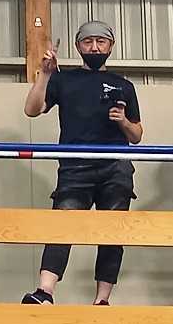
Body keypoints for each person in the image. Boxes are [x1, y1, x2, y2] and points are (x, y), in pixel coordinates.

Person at [22, 21, 143, 306]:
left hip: (115, 166)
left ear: (111, 46)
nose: (95, 47)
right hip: (74, 166)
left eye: (101, 42)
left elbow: (137, 135)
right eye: (88, 42)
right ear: (78, 46)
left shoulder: (124, 85)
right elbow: (32, 109)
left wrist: (123, 121)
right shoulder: (63, 80)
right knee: (62, 224)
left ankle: (102, 300)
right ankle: (45, 291)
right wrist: (45, 75)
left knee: (112, 232)